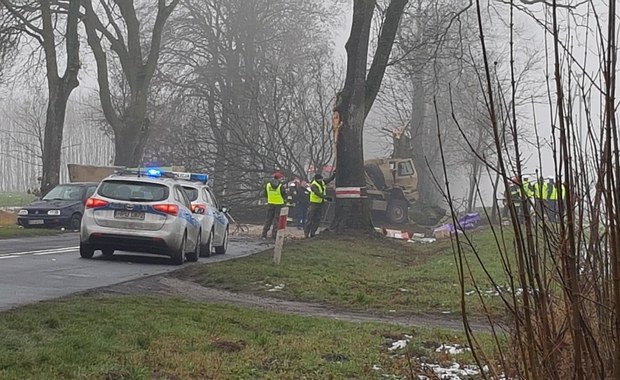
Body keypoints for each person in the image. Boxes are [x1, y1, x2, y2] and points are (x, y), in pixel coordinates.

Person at [304, 172, 335, 238]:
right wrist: (326, 197)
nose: (321, 180)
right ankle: (306, 234)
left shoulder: (322, 182)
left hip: (320, 203)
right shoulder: (313, 185)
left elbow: (329, 179)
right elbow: (317, 193)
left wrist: (334, 174)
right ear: (316, 179)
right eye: (320, 179)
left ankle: (313, 233)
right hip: (314, 203)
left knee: (317, 219)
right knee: (310, 219)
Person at [261, 172, 286, 239]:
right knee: (276, 220)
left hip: (270, 204)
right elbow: (284, 195)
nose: (282, 179)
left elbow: (265, 194)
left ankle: (264, 234)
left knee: (268, 219)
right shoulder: (280, 186)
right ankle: (274, 235)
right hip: (279, 204)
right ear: (279, 178)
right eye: (281, 178)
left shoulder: (268, 185)